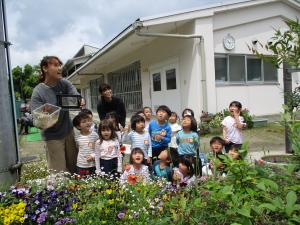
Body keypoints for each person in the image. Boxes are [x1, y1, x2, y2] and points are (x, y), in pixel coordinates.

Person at [31, 56, 84, 173]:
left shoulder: (64, 83)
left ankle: (76, 190)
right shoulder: (38, 92)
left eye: (60, 65)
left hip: (68, 131)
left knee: (75, 165)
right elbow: (36, 119)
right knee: (58, 171)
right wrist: (45, 119)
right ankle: (59, 191)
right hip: (52, 136)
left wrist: (80, 99)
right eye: (55, 65)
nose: (59, 68)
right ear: (45, 68)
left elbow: (75, 94)